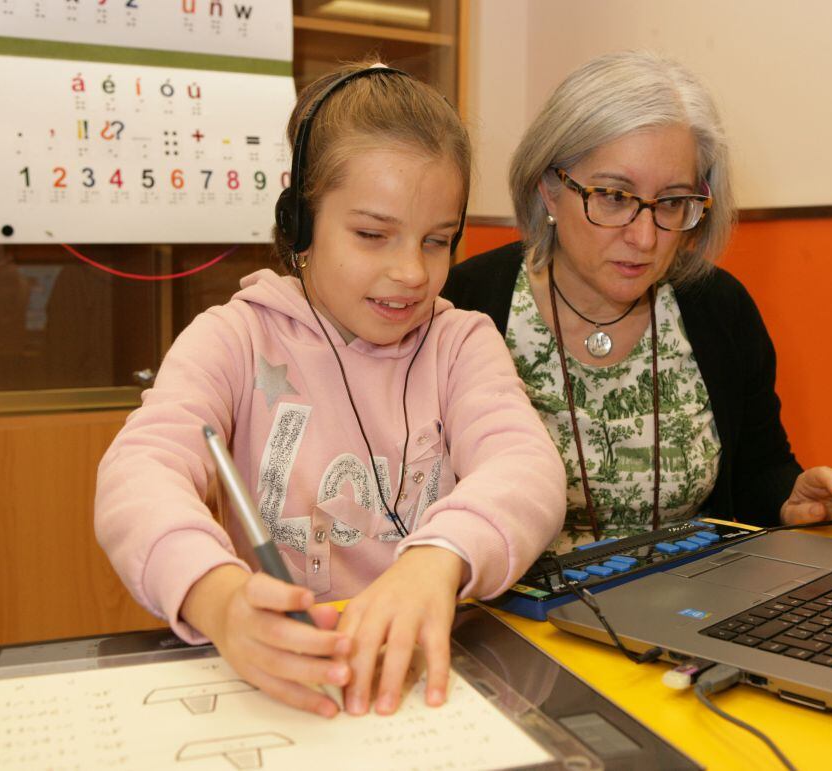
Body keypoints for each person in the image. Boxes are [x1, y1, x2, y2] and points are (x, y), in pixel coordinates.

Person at [95, 62, 565, 720]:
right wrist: (219, 597)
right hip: (285, 687)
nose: (411, 272)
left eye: (437, 241)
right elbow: (136, 474)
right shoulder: (234, 338)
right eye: (372, 234)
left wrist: (437, 557)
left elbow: (528, 465)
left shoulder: (461, 342)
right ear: (300, 224)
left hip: (429, 686)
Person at [443, 51, 832, 553]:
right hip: (517, 614)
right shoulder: (466, 305)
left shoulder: (719, 308)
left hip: (689, 614)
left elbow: (760, 470)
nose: (645, 238)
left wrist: (790, 498)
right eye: (613, 196)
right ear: (548, 188)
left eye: (672, 202)